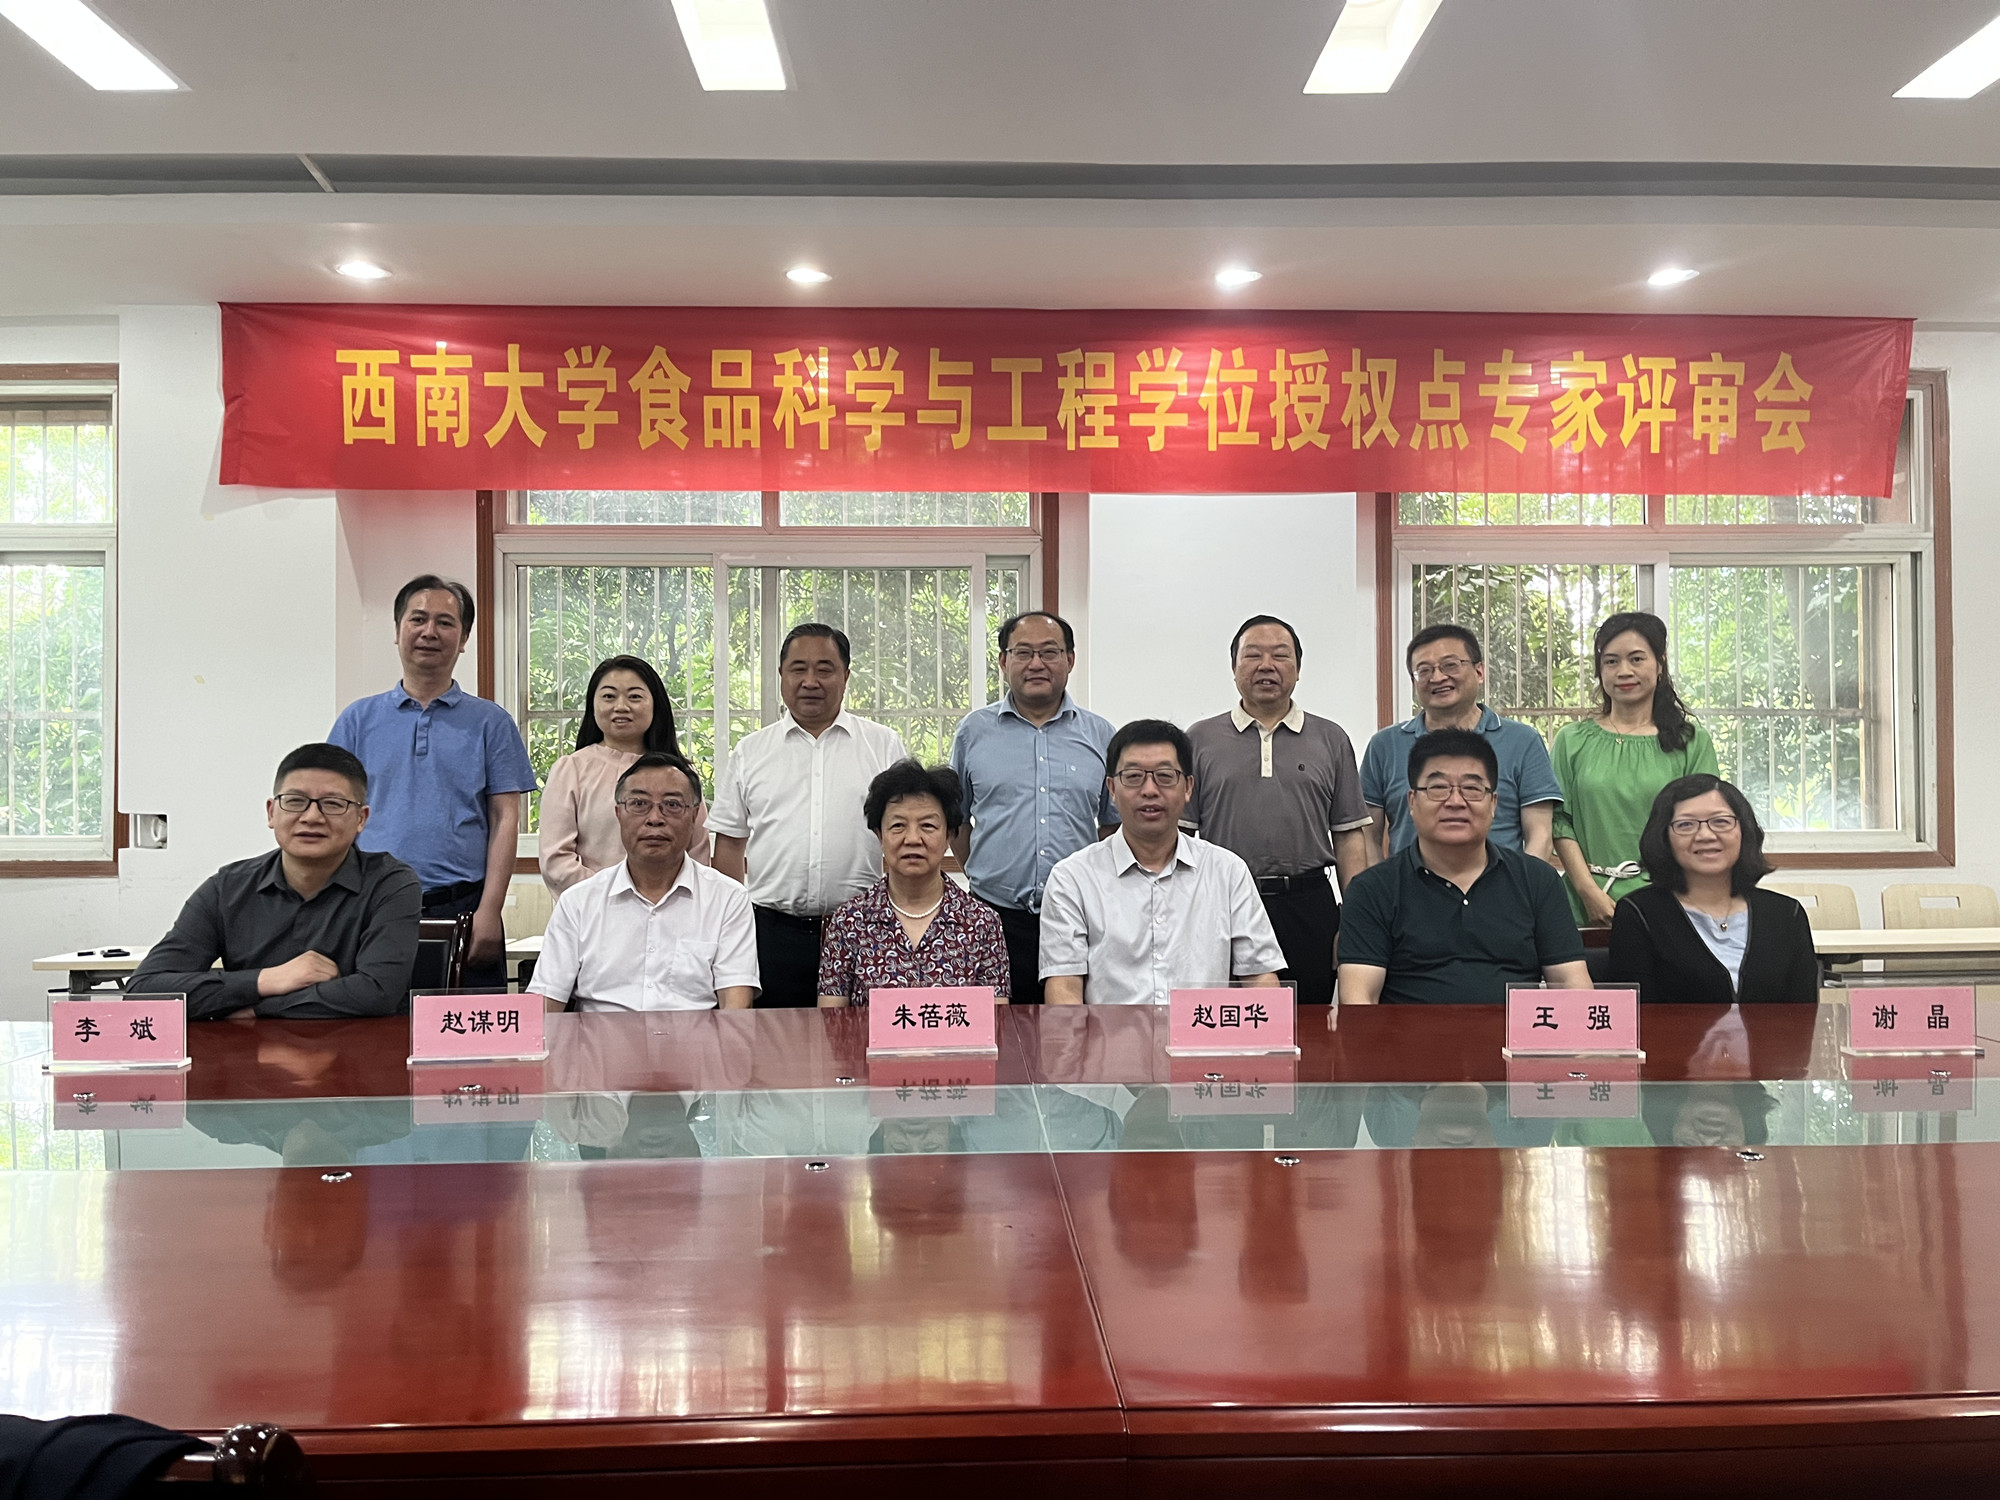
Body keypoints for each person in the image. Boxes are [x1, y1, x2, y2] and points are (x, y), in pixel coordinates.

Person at [328, 574, 537, 988]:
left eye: (445, 622)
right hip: (371, 907)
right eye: (418, 619)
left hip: (463, 908)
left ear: (464, 639)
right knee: (372, 1025)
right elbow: (334, 814)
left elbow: (505, 818)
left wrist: (489, 911)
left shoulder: (491, 722)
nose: (429, 632)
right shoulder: (357, 720)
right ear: (397, 631)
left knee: (469, 1028)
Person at [130, 743, 421, 1019]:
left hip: (358, 1050)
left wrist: (260, 1010)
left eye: (333, 804)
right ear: (272, 812)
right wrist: (267, 980)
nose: (312, 817)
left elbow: (378, 992)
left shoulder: (390, 884)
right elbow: (145, 990)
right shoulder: (227, 889)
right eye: (295, 801)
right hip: (249, 1051)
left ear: (361, 819)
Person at [710, 623, 909, 1006]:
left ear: (845, 676)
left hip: (862, 930)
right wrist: (730, 925)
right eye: (798, 669)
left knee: (857, 1037)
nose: (810, 681)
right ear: (781, 675)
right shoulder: (751, 751)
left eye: (824, 669)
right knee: (774, 1038)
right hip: (770, 933)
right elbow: (730, 845)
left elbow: (904, 834)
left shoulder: (883, 745)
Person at [1184, 616, 1372, 1008]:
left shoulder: (1331, 738)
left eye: (1280, 656)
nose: (1266, 665)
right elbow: (1182, 838)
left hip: (1308, 903)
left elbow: (1348, 835)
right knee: (1227, 1019)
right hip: (1223, 903)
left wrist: (1356, 920)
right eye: (1253, 655)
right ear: (1234, 667)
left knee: (1309, 1021)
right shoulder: (1199, 739)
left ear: (1298, 669)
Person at [1337, 728, 1590, 1009]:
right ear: (1412, 802)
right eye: (1437, 788)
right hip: (1407, 1038)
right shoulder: (1372, 889)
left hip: (1513, 1036)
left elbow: (1572, 984)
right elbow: (1359, 1000)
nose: (1455, 802)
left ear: (1493, 803)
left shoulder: (1538, 881)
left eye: (1472, 789)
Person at [1040, 719, 1285, 1006]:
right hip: (1109, 1036)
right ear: (1112, 789)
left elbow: (1260, 977)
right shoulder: (1072, 878)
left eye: (1165, 776)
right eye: (1133, 776)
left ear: (1188, 787)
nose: (1149, 790)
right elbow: (1065, 988)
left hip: (1202, 1034)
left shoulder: (1227, 871)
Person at [948, 610, 1116, 1004]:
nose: (1036, 663)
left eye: (1049, 652)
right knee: (998, 1029)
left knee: (1073, 1029)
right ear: (1003, 661)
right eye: (1023, 652)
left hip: (1080, 915)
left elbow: (1112, 826)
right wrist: (986, 873)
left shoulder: (1101, 734)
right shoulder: (974, 731)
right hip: (994, 916)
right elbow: (955, 819)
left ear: (1070, 660)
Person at [529, 752, 758, 1013]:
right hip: (601, 1038)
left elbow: (736, 1007)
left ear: (695, 815)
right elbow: (544, 1008)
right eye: (639, 803)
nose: (655, 818)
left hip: (695, 1038)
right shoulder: (578, 902)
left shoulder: (728, 899)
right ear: (618, 813)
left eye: (672, 804)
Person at [1552, 610, 1719, 926]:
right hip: (1582, 902)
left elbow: (1702, 825)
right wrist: (1588, 891)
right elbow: (1559, 821)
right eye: (1611, 661)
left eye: (1637, 659)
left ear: (1660, 664)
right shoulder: (1571, 740)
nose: (1624, 671)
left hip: (1669, 901)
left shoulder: (1691, 741)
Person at [1607, 774, 1819, 1004]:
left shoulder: (1787, 914)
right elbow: (1634, 1015)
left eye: (1721, 822)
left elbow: (1804, 1014)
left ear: (1744, 830)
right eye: (1685, 825)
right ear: (1664, 837)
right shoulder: (1639, 914)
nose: (1705, 835)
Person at [1361, 623, 1563, 861]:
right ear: (1414, 683)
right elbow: (1368, 837)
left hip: (1504, 884)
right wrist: (1375, 883)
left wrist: (1525, 883)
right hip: (1406, 884)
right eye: (1424, 671)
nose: (1437, 677)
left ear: (1479, 672)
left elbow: (1540, 834)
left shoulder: (1523, 741)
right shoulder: (1384, 746)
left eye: (1450, 665)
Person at [818, 762, 1010, 1007]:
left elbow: (995, 1019)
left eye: (928, 826)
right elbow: (831, 1021)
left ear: (950, 835)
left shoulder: (982, 923)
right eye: (898, 826)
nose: (912, 839)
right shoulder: (849, 922)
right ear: (879, 835)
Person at [539, 653, 710, 897]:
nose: (621, 706)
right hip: (592, 908)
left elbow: (698, 855)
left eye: (635, 697)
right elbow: (556, 861)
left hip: (673, 906)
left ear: (656, 704)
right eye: (609, 696)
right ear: (593, 705)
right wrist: (618, 897)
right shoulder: (571, 770)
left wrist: (659, 899)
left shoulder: (681, 775)